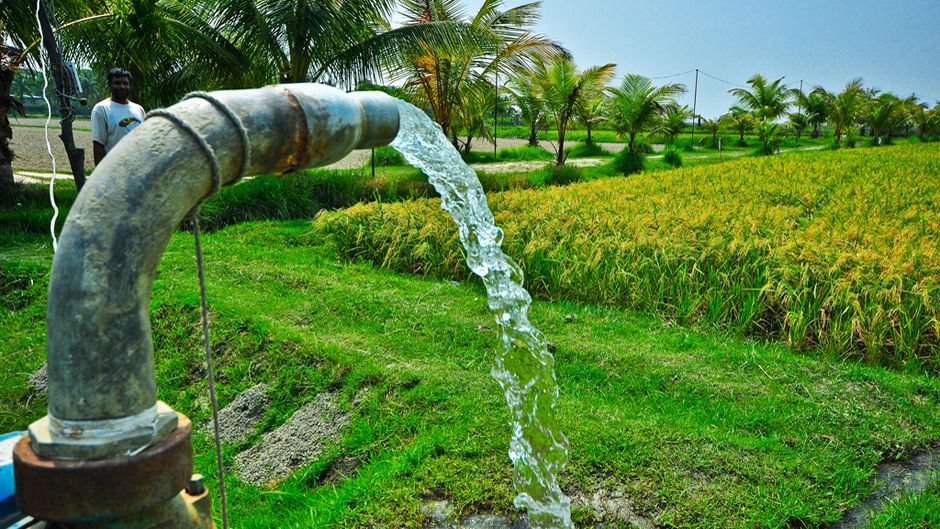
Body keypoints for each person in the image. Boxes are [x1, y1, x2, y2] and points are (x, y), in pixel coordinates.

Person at [91, 68, 145, 165]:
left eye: (125, 83)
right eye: (117, 83)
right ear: (110, 86)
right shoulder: (101, 109)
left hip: (137, 168)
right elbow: (98, 145)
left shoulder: (139, 109)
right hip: (114, 169)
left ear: (130, 86)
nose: (122, 86)